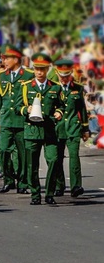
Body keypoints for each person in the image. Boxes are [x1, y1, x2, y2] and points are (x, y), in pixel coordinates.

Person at [20, 53, 62, 206]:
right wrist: (26, 109)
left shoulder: (55, 87)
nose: (39, 72)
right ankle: (35, 194)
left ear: (47, 69)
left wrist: (59, 113)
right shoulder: (26, 87)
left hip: (49, 130)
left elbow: (61, 105)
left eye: (43, 69)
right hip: (32, 130)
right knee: (32, 165)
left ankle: (49, 193)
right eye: (37, 69)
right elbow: (18, 106)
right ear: (34, 69)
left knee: (53, 160)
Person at [0, 45, 33, 194]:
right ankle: (9, 180)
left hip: (22, 120)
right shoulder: (2, 76)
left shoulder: (28, 75)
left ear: (16, 59)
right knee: (3, 151)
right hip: (6, 119)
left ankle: (22, 183)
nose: (4, 61)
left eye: (7, 58)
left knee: (22, 153)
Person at [52, 58, 89, 199]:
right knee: (58, 158)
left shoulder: (78, 88)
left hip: (73, 127)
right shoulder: (53, 88)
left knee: (74, 157)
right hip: (58, 128)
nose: (65, 79)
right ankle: (59, 185)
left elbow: (82, 109)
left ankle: (76, 186)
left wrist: (85, 129)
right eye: (62, 76)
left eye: (67, 75)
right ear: (57, 73)